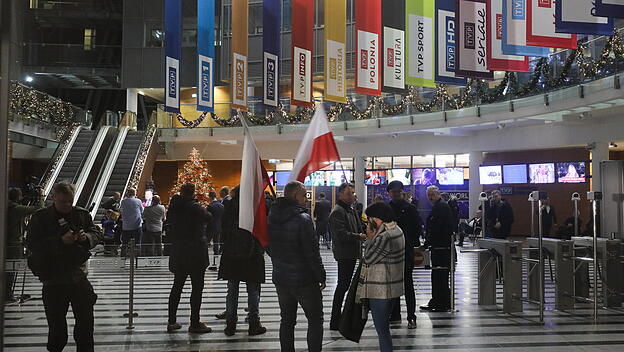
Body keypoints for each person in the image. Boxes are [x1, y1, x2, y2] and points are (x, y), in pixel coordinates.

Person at [26, 181, 103, 352]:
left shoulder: (81, 214)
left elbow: (96, 233)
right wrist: (60, 241)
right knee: (56, 328)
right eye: (63, 202)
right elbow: (32, 244)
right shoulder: (41, 217)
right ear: (54, 198)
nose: (67, 205)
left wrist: (86, 238)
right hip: (53, 279)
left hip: (78, 277)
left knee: (85, 325)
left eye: (70, 201)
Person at [268, 181, 326, 352]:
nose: (306, 199)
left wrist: (280, 260)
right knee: (315, 319)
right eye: (304, 195)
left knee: (286, 319)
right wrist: (321, 276)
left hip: (281, 278)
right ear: (294, 196)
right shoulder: (303, 219)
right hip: (304, 280)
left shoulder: (271, 215)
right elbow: (312, 253)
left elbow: (268, 245)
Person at [218, 185, 267, 336]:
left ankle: (230, 324)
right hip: (252, 254)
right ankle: (253, 323)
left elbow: (223, 228)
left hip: (232, 254)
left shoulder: (229, 206)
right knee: (253, 291)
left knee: (232, 291)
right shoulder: (255, 207)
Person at [357, 202, 405, 352]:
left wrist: (370, 238)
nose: (369, 222)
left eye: (371, 218)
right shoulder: (397, 230)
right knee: (384, 329)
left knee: (382, 331)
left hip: (380, 289)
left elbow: (368, 258)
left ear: (379, 218)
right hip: (392, 286)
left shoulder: (385, 236)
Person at [166, 183, 213, 334]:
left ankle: (171, 321)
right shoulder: (194, 206)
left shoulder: (173, 206)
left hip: (179, 252)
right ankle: (194, 323)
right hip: (195, 253)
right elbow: (209, 217)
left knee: (177, 287)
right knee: (197, 289)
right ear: (193, 193)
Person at [328, 183, 366, 330]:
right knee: (342, 286)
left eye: (353, 193)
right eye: (349, 193)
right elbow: (341, 234)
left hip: (352, 253)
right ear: (341, 195)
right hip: (344, 254)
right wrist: (359, 236)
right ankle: (335, 319)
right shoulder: (338, 211)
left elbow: (358, 226)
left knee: (345, 285)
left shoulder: (350, 210)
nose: (352, 196)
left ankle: (341, 317)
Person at [386, 180, 422, 329]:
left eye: (397, 191)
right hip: (390, 252)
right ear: (389, 193)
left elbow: (417, 229)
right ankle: (394, 316)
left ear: (402, 192)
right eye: (392, 192)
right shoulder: (386, 209)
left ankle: (411, 317)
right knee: (392, 285)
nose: (395, 194)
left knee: (408, 285)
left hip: (406, 252)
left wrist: (409, 243)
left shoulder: (410, 208)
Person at [6, 187, 44, 301]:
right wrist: (41, 196)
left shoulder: (7, 206)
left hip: (7, 242)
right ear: (18, 197)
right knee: (11, 270)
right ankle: (7, 294)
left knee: (7, 269)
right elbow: (39, 209)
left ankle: (6, 293)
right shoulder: (16, 209)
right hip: (13, 243)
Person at [420, 185, 453, 312]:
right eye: (429, 195)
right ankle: (439, 301)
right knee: (439, 275)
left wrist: (427, 242)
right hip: (439, 246)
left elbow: (437, 228)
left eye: (433, 195)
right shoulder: (439, 207)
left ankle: (441, 302)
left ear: (438, 194)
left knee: (440, 275)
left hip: (441, 248)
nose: (431, 198)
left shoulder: (441, 207)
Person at [119, 188, 144, 256]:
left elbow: (121, 210)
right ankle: (137, 257)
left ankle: (123, 257)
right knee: (137, 243)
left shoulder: (123, 201)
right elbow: (142, 211)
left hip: (126, 226)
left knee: (125, 243)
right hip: (137, 225)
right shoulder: (138, 201)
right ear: (134, 193)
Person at [206, 191, 225, 267]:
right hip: (219, 227)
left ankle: (206, 260)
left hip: (211, 227)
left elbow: (208, 217)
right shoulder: (221, 205)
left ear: (210, 197)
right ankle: (215, 263)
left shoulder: (210, 206)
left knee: (206, 243)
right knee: (216, 244)